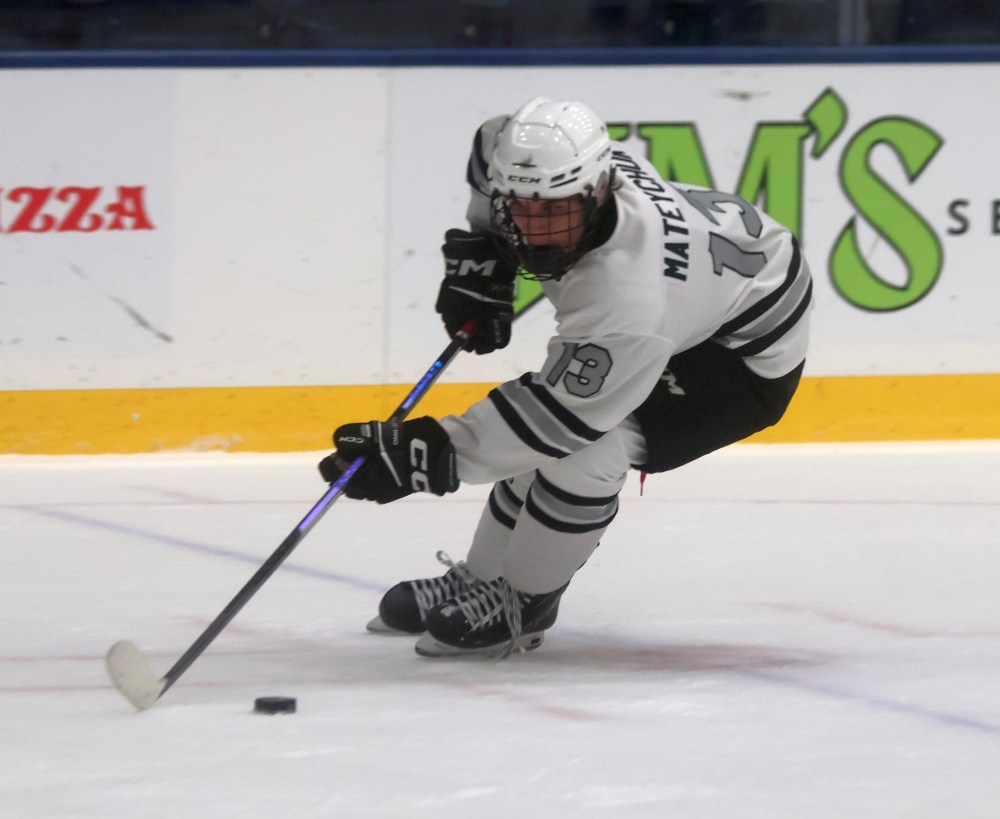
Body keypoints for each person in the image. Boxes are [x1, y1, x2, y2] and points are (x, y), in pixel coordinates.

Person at [319, 97, 812, 658]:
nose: (535, 232)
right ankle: (481, 579)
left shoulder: (630, 296)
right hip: (710, 291)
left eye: (555, 213)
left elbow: (556, 423)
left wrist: (423, 454)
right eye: (520, 212)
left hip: (733, 358)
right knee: (557, 431)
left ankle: (522, 604)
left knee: (588, 451)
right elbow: (490, 144)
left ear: (599, 191)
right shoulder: (544, 167)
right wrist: (483, 254)